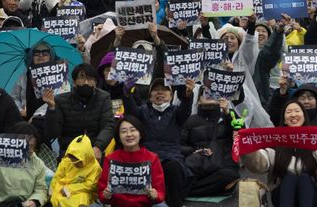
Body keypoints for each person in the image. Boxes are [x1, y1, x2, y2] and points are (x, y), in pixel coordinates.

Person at [241, 101, 317, 206]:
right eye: (289, 112)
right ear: (284, 120)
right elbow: (259, 165)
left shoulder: (316, 141)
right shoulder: (274, 141)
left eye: (297, 111)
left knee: (304, 178)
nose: (293, 114)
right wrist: (246, 147)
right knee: (290, 178)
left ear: (304, 117)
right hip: (282, 195)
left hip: (313, 195)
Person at [123, 79, 194, 207]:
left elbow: (185, 109)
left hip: (171, 156)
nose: (160, 92)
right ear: (150, 96)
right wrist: (127, 94)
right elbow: (131, 112)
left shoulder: (176, 112)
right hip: (147, 156)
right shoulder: (143, 111)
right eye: (156, 90)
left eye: (165, 89)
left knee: (172, 167)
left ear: (171, 96)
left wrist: (188, 95)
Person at [44, 63, 115, 158]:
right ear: (74, 82)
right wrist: (52, 109)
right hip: (68, 152)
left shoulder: (104, 97)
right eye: (82, 78)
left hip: (94, 151)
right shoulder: (60, 100)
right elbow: (53, 133)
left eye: (90, 79)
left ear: (95, 82)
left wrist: (98, 147)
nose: (86, 83)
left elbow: (108, 125)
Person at [181, 89, 241, 198]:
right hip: (197, 166)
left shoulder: (229, 116)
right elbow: (179, 145)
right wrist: (193, 151)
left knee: (230, 176)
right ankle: (205, 189)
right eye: (206, 93)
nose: (210, 96)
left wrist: (227, 113)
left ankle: (186, 191)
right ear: (199, 100)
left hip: (222, 167)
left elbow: (241, 135)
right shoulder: (190, 121)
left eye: (214, 93)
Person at [0, 121, 48, 207]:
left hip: (22, 204)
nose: (27, 149)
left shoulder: (37, 163)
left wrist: (34, 201)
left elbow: (41, 189)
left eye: (31, 146)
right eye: (22, 145)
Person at [97, 115, 166, 207]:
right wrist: (106, 195)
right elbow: (102, 193)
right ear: (119, 137)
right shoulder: (110, 159)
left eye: (133, 130)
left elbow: (160, 191)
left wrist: (155, 195)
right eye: (124, 131)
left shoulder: (152, 158)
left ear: (140, 134)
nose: (129, 134)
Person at [49, 134, 102, 207]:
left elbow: (90, 185)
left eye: (78, 162)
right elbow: (57, 177)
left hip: (84, 192)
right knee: (57, 199)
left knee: (82, 199)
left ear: (86, 156)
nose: (75, 164)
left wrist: (69, 189)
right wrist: (52, 189)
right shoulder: (66, 161)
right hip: (62, 189)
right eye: (72, 160)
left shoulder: (94, 167)